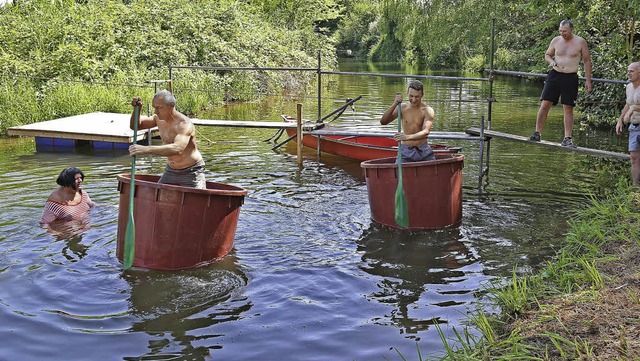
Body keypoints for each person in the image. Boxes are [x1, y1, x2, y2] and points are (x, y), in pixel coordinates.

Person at [529, 19, 592, 147]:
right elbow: (547, 54)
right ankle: (537, 133)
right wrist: (551, 61)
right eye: (561, 31)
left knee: (568, 107)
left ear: (571, 30)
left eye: (565, 31)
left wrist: (588, 80)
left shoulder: (580, 42)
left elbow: (587, 61)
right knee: (545, 103)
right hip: (555, 75)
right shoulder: (556, 40)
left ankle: (567, 138)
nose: (562, 33)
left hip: (570, 77)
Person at [129, 90, 206, 189]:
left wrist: (146, 149)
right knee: (158, 196)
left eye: (159, 108)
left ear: (171, 106)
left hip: (191, 170)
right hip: (171, 170)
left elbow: (177, 149)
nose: (156, 112)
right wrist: (137, 110)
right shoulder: (157, 118)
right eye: (154, 108)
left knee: (195, 201)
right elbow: (136, 126)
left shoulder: (183, 124)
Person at [380, 80, 436, 162]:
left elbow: (426, 132)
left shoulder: (428, 110)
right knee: (398, 172)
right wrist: (395, 103)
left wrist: (407, 137)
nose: (413, 99)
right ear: (407, 94)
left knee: (433, 171)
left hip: (423, 150)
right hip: (405, 151)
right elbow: (383, 122)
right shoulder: (402, 108)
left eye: (417, 97)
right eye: (411, 96)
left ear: (422, 95)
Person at [615, 62, 640, 185]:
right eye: (628, 71)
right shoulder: (629, 87)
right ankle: (636, 188)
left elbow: (633, 107)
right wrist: (620, 120)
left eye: (632, 71)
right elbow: (628, 104)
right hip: (634, 125)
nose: (629, 73)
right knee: (634, 158)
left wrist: (632, 109)